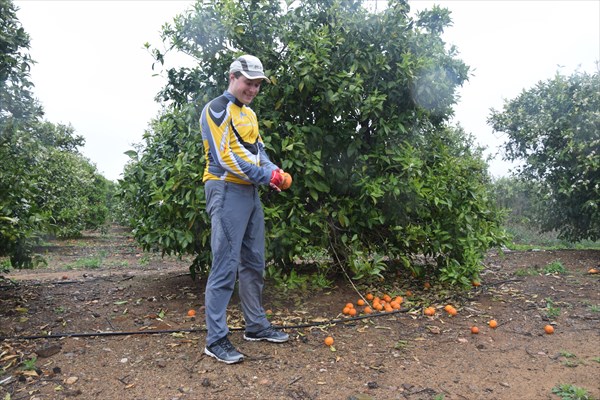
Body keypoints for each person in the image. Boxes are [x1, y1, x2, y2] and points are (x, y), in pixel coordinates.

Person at [200, 54, 289, 364]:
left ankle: (256, 326)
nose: (252, 89)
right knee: (225, 264)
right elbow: (226, 158)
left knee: (253, 262)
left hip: (250, 192)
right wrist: (266, 175)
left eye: (257, 84)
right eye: (248, 82)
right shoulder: (216, 109)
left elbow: (258, 151)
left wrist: (274, 171)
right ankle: (216, 339)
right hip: (225, 189)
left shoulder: (249, 114)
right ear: (232, 77)